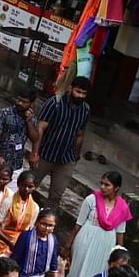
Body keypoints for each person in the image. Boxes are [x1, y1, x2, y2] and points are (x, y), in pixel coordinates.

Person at [63, 171, 130, 277]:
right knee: (77, 272)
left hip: (106, 245)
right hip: (86, 239)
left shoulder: (122, 207)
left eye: (107, 185)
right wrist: (68, 246)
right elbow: (78, 224)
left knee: (96, 275)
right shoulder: (91, 199)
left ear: (116, 188)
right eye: (102, 183)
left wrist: (121, 255)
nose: (102, 187)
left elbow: (120, 232)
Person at [31, 76, 92, 212]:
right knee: (29, 185)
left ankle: (46, 223)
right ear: (70, 88)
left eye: (83, 93)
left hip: (66, 159)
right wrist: (35, 153)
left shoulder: (85, 110)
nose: (80, 96)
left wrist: (76, 156)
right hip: (46, 154)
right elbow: (41, 127)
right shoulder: (55, 103)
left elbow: (80, 134)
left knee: (56, 196)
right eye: (78, 92)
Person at [12, 208, 61, 277]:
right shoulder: (26, 236)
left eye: (50, 225)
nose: (47, 228)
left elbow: (53, 266)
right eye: (44, 224)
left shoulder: (53, 241)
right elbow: (15, 260)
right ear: (37, 222)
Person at [0, 87, 37, 175]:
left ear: (31, 104)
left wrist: (28, 122)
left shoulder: (32, 118)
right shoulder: (5, 113)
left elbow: (35, 138)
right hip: (0, 162)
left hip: (16, 165)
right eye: (19, 100)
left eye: (24, 102)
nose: (20, 103)